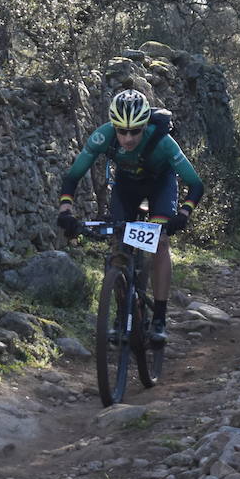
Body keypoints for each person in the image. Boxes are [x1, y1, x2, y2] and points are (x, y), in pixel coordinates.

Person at [55, 89, 204, 344]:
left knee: (160, 242)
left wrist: (183, 213)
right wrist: (65, 210)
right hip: (126, 187)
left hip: (160, 185)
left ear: (145, 125)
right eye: (122, 131)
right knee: (119, 242)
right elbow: (72, 176)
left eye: (135, 131)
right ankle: (120, 312)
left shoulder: (163, 141)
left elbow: (196, 184)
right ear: (114, 126)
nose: (127, 138)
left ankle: (159, 318)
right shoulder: (104, 136)